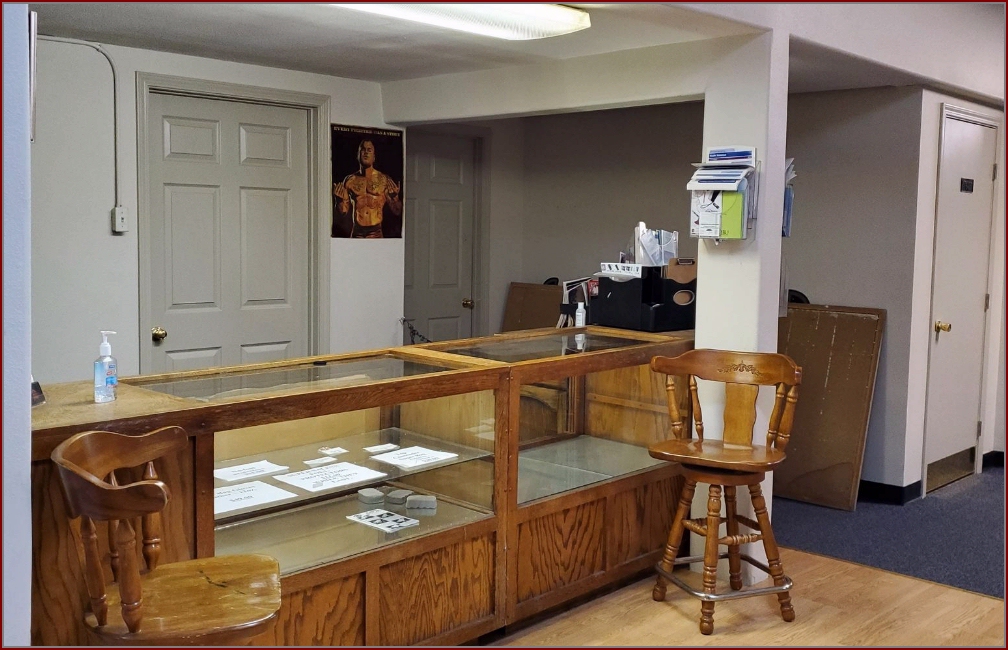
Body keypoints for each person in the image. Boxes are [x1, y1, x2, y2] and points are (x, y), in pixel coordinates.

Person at [333, 139, 402, 238]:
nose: (366, 152)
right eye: (363, 149)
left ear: (374, 157)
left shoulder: (383, 179)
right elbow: (343, 212)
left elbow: (397, 211)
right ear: (358, 155)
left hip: (376, 233)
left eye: (369, 150)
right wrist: (338, 201)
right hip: (357, 233)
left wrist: (395, 199)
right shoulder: (350, 180)